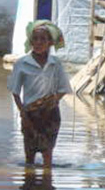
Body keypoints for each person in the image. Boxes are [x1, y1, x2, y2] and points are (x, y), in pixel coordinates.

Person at [8, 20, 72, 167]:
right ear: (31, 42)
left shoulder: (55, 63)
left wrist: (52, 100)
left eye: (43, 39)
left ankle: (47, 183)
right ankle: (29, 184)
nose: (38, 43)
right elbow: (15, 92)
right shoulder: (22, 63)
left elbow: (63, 88)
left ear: (50, 42)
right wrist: (23, 114)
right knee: (29, 155)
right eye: (35, 39)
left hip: (50, 114)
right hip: (30, 113)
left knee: (47, 154)